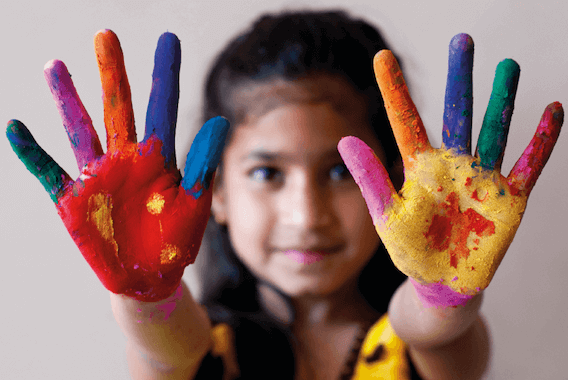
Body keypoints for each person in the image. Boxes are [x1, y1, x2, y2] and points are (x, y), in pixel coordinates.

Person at [6, 9, 562, 380]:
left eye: (341, 173)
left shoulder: (421, 346)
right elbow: (162, 343)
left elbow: (432, 327)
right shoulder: (203, 348)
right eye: (268, 173)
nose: (306, 215)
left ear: (395, 185)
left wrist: (444, 292)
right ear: (215, 191)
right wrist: (145, 293)